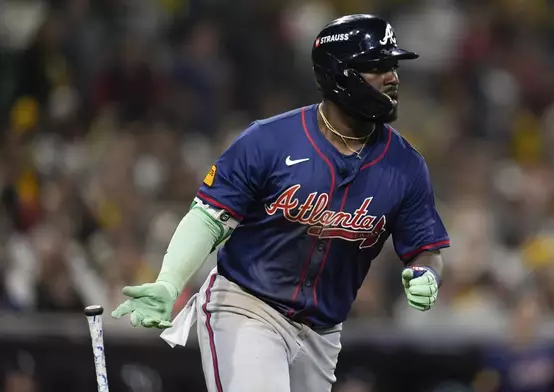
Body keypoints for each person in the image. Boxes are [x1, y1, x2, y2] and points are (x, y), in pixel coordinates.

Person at [111, 14, 451, 392]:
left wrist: (427, 275)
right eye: (377, 66)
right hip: (246, 305)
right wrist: (169, 282)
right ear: (340, 74)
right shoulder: (269, 140)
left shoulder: (405, 165)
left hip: (322, 332)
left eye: (393, 66)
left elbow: (425, 248)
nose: (393, 77)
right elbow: (209, 217)